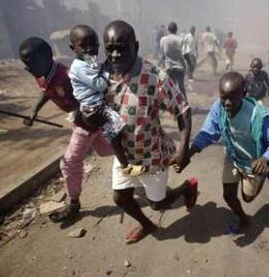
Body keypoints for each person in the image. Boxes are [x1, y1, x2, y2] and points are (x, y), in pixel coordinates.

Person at [103, 20, 198, 244]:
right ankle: (147, 225)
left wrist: (183, 149)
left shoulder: (155, 77)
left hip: (152, 156)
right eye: (110, 49)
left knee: (158, 203)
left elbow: (183, 111)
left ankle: (186, 187)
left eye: (121, 48)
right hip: (124, 156)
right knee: (121, 197)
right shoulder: (101, 76)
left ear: (135, 46)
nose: (115, 55)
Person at [181, 72, 269, 233]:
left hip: (253, 161)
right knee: (228, 195)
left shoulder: (257, 115)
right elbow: (208, 133)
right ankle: (244, 219)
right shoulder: (219, 107)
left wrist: (266, 159)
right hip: (232, 156)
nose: (228, 103)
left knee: (248, 197)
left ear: (244, 94)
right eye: (224, 97)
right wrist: (187, 154)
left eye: (233, 98)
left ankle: (266, 172)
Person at [19, 37, 113, 221]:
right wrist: (33, 112)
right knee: (104, 150)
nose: (26, 68)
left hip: (88, 122)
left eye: (29, 63)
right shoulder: (42, 77)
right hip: (84, 121)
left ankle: (73, 204)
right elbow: (46, 91)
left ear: (46, 58)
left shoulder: (67, 75)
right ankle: (136, 153)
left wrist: (80, 111)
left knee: (69, 162)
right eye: (25, 64)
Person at [68, 25, 131, 172]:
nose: (90, 49)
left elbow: (98, 69)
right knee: (117, 127)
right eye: (84, 46)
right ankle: (125, 163)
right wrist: (109, 73)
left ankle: (124, 158)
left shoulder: (88, 59)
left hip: (96, 103)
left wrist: (106, 67)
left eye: (94, 45)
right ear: (73, 48)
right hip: (93, 107)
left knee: (116, 128)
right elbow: (100, 84)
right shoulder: (79, 66)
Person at [160, 22, 187, 99]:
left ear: (168, 30)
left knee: (171, 88)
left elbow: (163, 55)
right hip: (179, 67)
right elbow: (182, 55)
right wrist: (184, 66)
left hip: (169, 67)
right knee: (181, 87)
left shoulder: (163, 40)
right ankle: (185, 103)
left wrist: (163, 66)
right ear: (176, 30)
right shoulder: (180, 39)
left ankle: (173, 105)